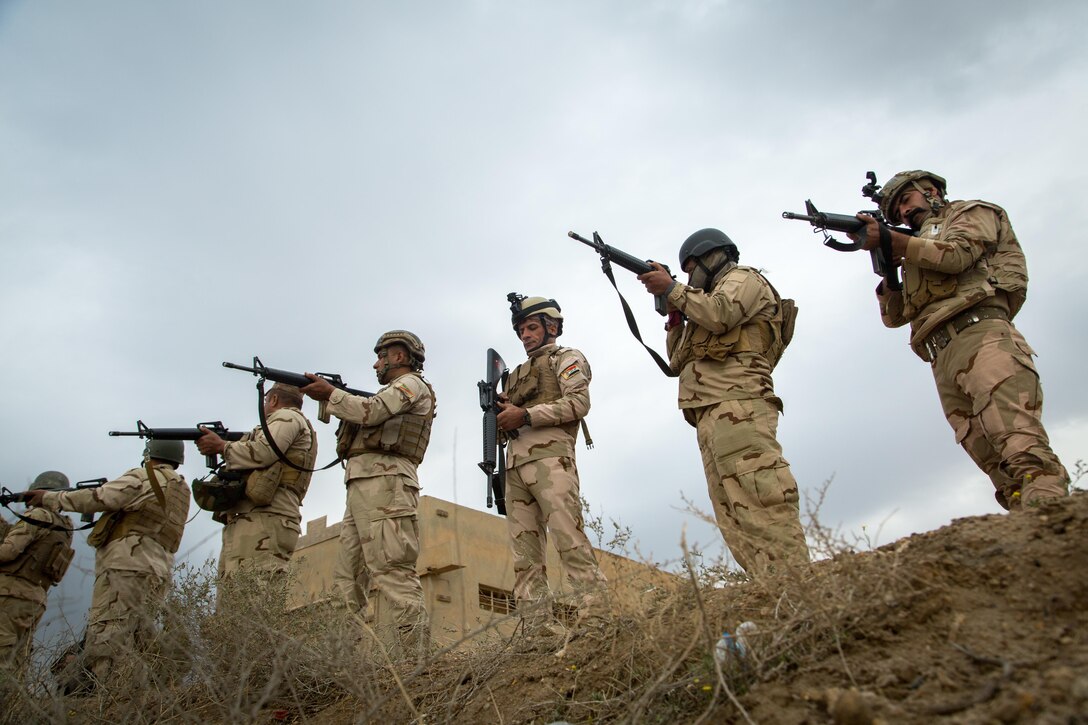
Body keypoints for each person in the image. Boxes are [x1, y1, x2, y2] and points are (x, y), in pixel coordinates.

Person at [851, 170, 1069, 509]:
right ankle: (1030, 534)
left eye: (906, 202)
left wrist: (897, 242)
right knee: (996, 466)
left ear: (931, 190)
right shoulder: (913, 251)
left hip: (982, 335)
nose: (904, 213)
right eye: (895, 214)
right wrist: (886, 264)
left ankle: (1055, 521)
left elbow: (957, 256)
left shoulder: (970, 213)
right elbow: (894, 317)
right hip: (941, 354)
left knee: (1021, 445)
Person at [639, 230, 810, 575]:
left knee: (761, 498)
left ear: (710, 256)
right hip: (711, 412)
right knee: (733, 513)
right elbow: (676, 361)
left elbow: (722, 314)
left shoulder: (742, 278)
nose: (689, 277)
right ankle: (773, 592)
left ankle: (799, 588)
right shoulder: (698, 302)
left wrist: (673, 288)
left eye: (690, 269)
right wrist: (674, 313)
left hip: (739, 402)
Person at [299, 331, 434, 648]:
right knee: (347, 578)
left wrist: (331, 394)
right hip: (365, 485)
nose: (376, 364)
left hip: (387, 485)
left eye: (380, 357)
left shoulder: (411, 385)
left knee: (391, 571)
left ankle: (415, 661)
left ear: (399, 356)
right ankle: (344, 664)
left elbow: (371, 412)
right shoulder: (391, 390)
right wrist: (329, 396)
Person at [26, 440, 190, 685]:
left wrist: (50, 498)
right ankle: (148, 692)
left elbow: (99, 498)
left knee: (108, 632)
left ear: (148, 454)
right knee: (139, 635)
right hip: (157, 567)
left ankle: (112, 695)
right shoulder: (180, 488)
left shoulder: (143, 476)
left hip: (127, 564)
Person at [496, 294, 608, 642]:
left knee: (569, 539)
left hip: (550, 460)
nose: (525, 336)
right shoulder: (514, 376)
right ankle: (538, 632)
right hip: (515, 464)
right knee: (524, 557)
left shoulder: (566, 357)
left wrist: (525, 414)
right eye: (521, 331)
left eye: (531, 327)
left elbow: (578, 402)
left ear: (552, 327)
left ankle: (598, 618)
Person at [195, 383, 317, 581]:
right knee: (234, 600)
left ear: (274, 399)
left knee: (252, 595)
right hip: (256, 518)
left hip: (265, 519)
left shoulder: (287, 417)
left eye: (267, 399)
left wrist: (223, 447)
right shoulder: (282, 422)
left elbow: (265, 452)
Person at [0, 471, 75, 672]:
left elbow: (8, 552)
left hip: (10, 594)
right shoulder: (65, 526)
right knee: (17, 662)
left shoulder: (37, 515)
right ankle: (14, 702)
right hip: (35, 598)